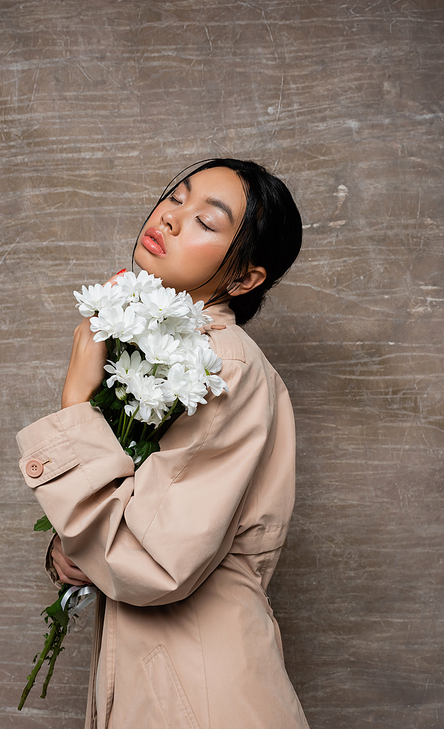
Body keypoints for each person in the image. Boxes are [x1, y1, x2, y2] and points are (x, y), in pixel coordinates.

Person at [17, 158, 310, 729]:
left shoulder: (219, 363)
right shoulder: (158, 348)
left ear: (245, 278)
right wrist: (69, 550)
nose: (173, 218)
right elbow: (141, 520)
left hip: (198, 694)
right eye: (177, 197)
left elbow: (152, 563)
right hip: (165, 675)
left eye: (208, 220)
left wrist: (77, 402)